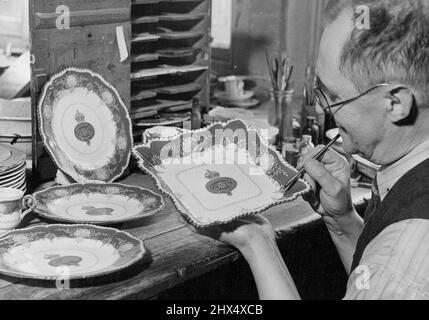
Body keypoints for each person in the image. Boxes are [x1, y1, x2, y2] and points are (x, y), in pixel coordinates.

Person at [190, 0, 429, 300]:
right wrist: (342, 220)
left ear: (396, 103)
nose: (319, 106)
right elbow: (372, 275)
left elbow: (390, 267)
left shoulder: (403, 259)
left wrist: (258, 242)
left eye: (332, 95)